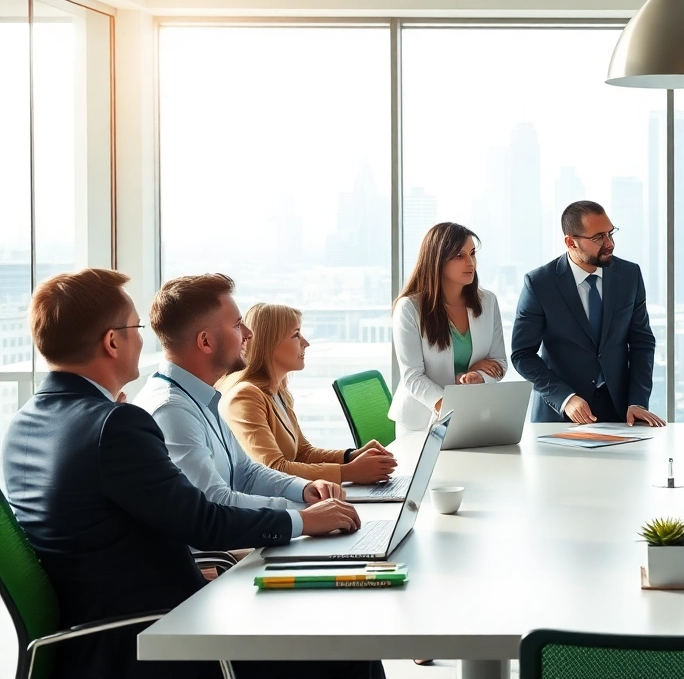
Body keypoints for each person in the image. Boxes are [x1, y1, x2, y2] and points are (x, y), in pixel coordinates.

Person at [2, 269, 372, 679]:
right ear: (112, 342)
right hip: (158, 636)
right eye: (135, 328)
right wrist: (302, 520)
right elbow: (203, 519)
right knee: (348, 644)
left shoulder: (23, 423)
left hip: (98, 638)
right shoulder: (115, 424)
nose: (142, 340)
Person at [134, 274, 346, 518]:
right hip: (213, 554)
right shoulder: (172, 410)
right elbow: (215, 503)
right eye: (237, 325)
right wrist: (304, 513)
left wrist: (305, 489)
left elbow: (246, 472)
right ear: (205, 341)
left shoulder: (202, 396)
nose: (248, 333)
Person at [512, 200, 664, 426]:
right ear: (571, 242)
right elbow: (522, 354)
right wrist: (565, 398)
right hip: (559, 417)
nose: (610, 243)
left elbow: (642, 343)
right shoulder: (539, 283)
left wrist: (638, 401)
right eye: (598, 237)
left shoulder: (630, 275)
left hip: (622, 414)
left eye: (610, 233)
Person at [219, 303, 397, 483]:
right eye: (296, 335)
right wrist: (348, 472)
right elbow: (273, 468)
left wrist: (351, 456)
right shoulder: (245, 397)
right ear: (269, 344)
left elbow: (303, 452)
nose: (306, 343)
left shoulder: (277, 392)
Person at [390, 222, 509, 437]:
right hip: (422, 422)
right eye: (459, 255)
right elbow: (413, 376)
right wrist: (451, 409)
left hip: (473, 416)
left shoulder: (487, 302)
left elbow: (499, 362)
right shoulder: (409, 308)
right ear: (437, 260)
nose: (470, 262)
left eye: (472, 253)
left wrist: (478, 375)